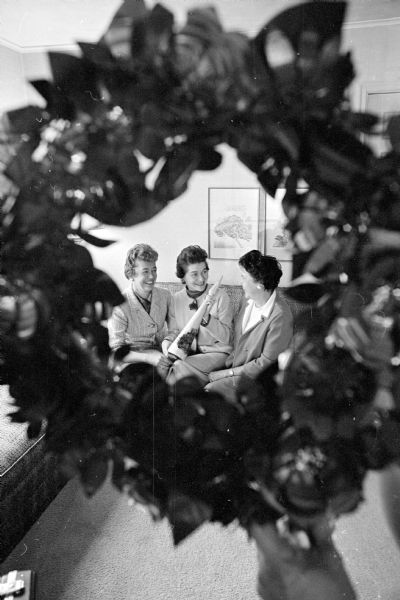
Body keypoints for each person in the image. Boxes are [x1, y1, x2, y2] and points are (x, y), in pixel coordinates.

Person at [205, 250, 293, 402]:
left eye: (244, 278)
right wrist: (207, 321)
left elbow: (265, 364)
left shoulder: (280, 315)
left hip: (257, 380)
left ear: (259, 284)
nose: (241, 283)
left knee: (210, 393)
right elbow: (235, 338)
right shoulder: (247, 301)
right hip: (233, 365)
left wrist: (226, 374)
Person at [166, 245, 233, 387]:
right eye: (194, 274)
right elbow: (173, 333)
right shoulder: (175, 300)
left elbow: (227, 337)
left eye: (204, 272)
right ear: (182, 276)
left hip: (218, 354)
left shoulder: (221, 296)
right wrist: (166, 344)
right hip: (189, 355)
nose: (202, 279)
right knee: (171, 366)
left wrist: (208, 320)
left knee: (178, 367)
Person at [108, 243, 177, 375]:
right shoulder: (119, 304)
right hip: (130, 360)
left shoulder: (166, 296)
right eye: (145, 271)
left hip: (161, 354)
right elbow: (116, 350)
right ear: (131, 274)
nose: (152, 276)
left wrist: (167, 345)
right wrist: (148, 357)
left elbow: (174, 330)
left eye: (154, 270)